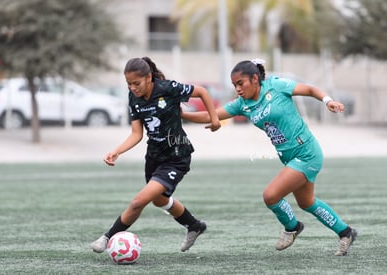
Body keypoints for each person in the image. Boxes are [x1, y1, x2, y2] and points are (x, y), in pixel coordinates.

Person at [181, 59, 357, 256]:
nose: (237, 89)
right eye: (234, 85)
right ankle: (346, 232)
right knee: (307, 202)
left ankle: (292, 227)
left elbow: (309, 89)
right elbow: (211, 115)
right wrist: (182, 114)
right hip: (289, 157)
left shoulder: (276, 85)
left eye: (241, 83)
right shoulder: (243, 104)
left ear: (255, 79)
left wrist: (328, 100)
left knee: (271, 195)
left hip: (306, 152)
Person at [90, 56, 221, 253]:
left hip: (176, 157)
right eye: (129, 84)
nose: (133, 87)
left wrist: (215, 119)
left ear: (149, 77)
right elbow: (136, 134)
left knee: (138, 202)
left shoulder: (168, 88)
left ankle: (107, 237)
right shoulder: (133, 97)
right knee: (159, 200)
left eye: (137, 83)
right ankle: (194, 226)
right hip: (153, 157)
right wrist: (116, 151)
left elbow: (202, 91)